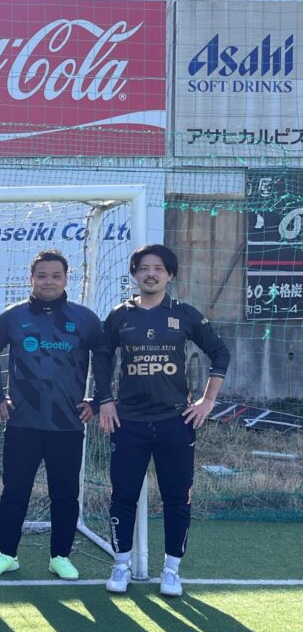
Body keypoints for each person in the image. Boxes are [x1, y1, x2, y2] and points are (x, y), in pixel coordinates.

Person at [93, 244, 229, 597]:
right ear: (135, 274)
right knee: (123, 496)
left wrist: (208, 401)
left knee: (176, 498)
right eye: (144, 268)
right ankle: (120, 565)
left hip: (174, 422)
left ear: (170, 274)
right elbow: (102, 358)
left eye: (158, 268)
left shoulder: (184, 314)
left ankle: (171, 571)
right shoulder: (119, 315)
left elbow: (220, 352)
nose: (150, 274)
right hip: (128, 422)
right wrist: (104, 400)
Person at [0, 250, 104, 581]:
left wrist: (97, 400)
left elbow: (104, 357)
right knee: (15, 491)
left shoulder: (84, 318)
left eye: (56, 276)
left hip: (67, 424)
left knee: (64, 494)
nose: (48, 281)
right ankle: (7, 554)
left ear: (66, 279)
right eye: (42, 276)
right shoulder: (13, 316)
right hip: (23, 423)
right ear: (31, 278)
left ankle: (60, 556)